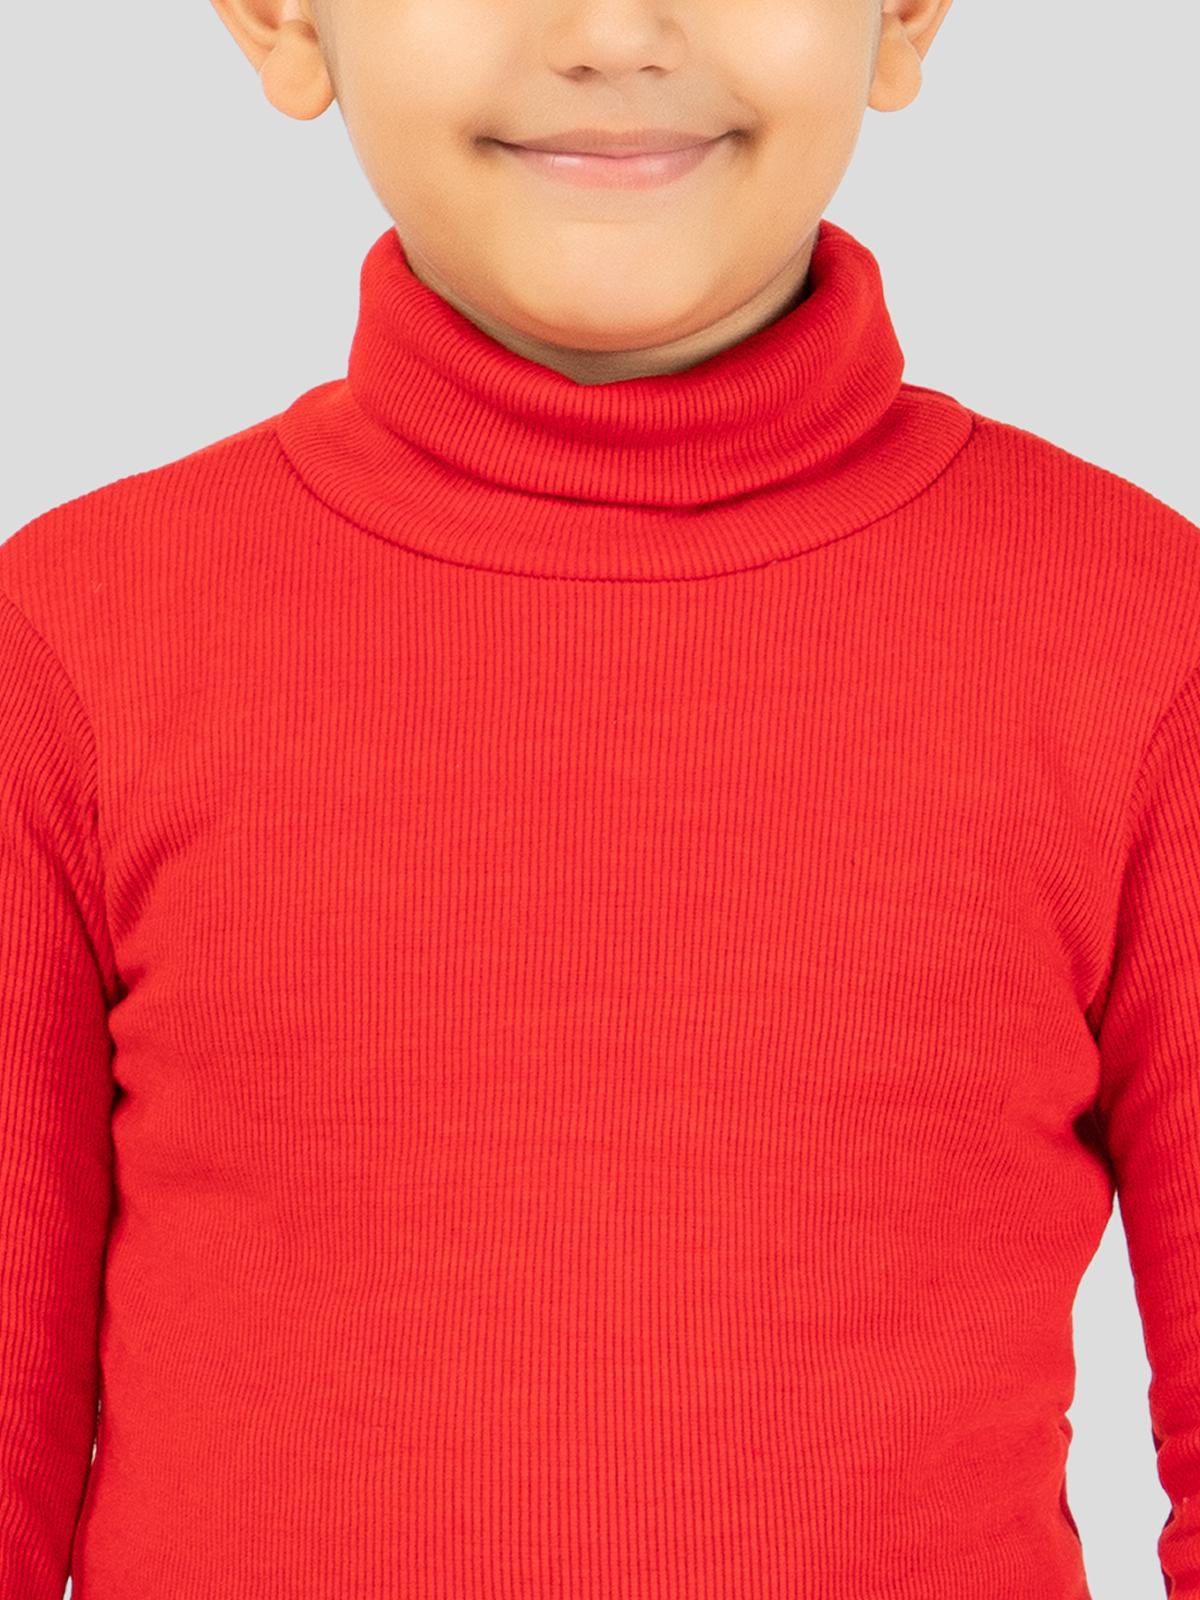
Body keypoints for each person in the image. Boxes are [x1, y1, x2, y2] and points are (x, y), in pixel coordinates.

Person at [1, 0, 1197, 1595]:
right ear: (285, 18)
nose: (615, 33)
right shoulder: (73, 645)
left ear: (905, 13)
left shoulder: (1142, 640)